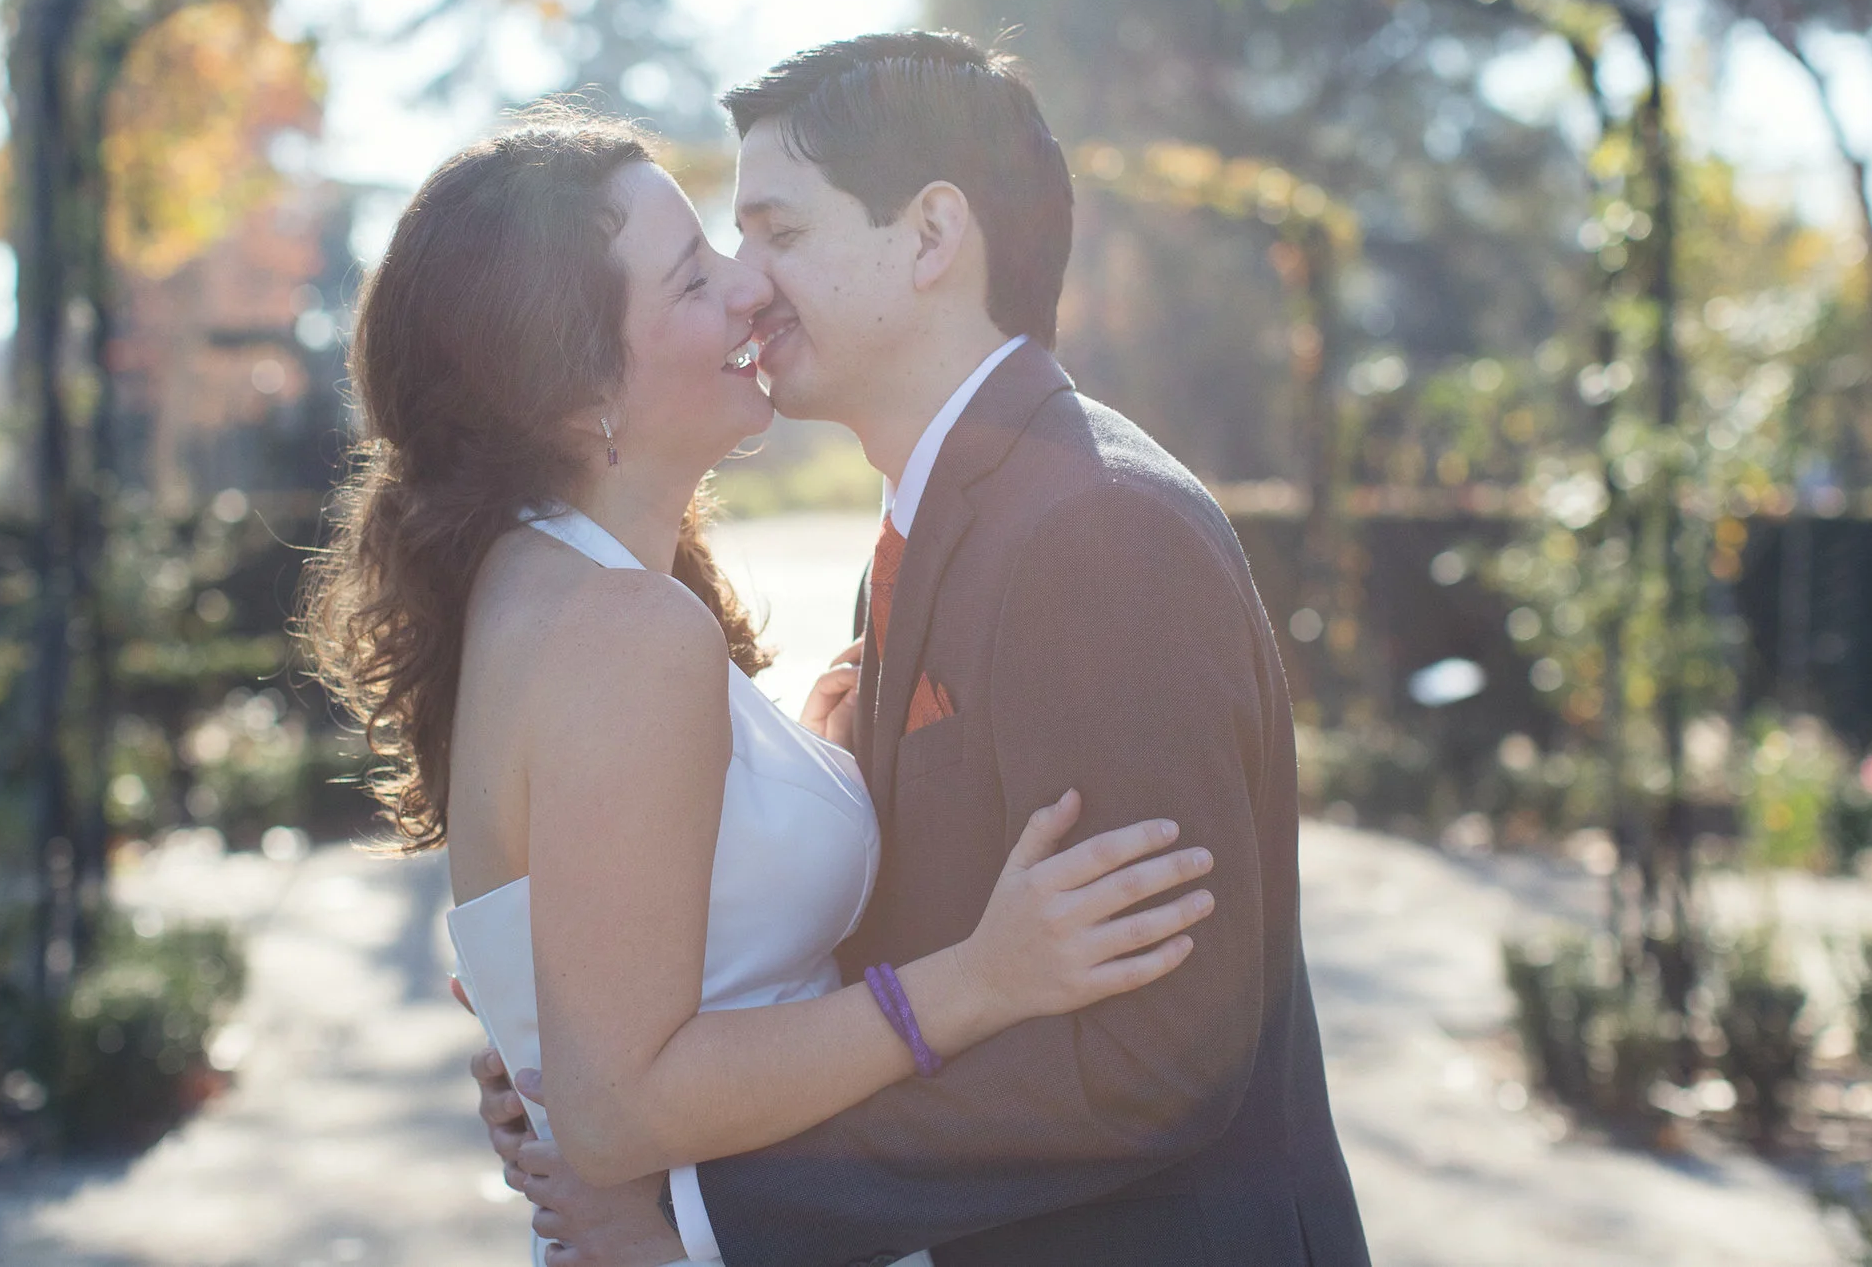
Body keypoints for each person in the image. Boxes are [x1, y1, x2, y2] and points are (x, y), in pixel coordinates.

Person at [479, 34, 1371, 1267]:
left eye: (779, 232)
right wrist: (572, 1039)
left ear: (931, 236)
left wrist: (701, 1208)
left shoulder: (1099, 530)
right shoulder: (929, 525)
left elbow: (1154, 1056)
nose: (745, 282)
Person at [302, 114, 1219, 1267]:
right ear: (574, 386)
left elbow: (635, 937)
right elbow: (618, 1109)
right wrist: (979, 981)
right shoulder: (624, 631)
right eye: (694, 277)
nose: (749, 288)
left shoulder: (537, 584)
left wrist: (794, 764)